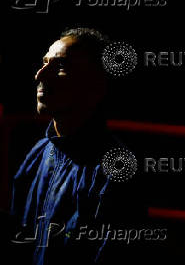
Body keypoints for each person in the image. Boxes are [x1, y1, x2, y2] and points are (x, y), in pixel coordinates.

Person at [9, 28, 143, 265]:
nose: (40, 75)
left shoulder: (114, 170)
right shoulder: (37, 156)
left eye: (60, 66)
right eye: (44, 63)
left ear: (95, 86)